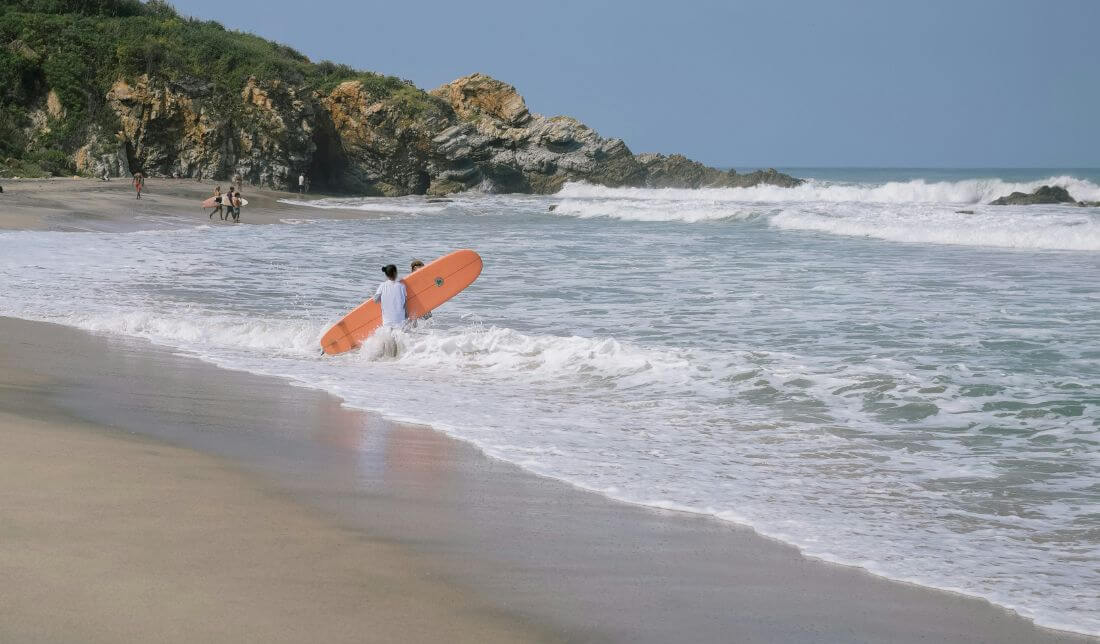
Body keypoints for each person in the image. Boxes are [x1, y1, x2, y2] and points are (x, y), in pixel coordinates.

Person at [373, 264, 407, 357]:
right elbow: (405, 302)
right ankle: (399, 357)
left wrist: (382, 298)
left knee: (387, 340)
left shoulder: (382, 286)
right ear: (396, 273)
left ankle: (384, 357)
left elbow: (375, 300)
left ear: (386, 275)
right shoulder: (402, 286)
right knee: (398, 340)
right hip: (400, 319)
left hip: (387, 319)